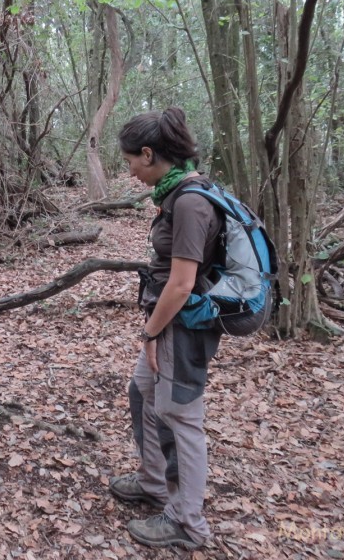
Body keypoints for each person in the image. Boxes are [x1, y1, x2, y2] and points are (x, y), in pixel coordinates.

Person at [108, 107, 223, 549]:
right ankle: (154, 481)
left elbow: (181, 284)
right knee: (143, 392)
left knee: (180, 418)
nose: (131, 171)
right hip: (167, 324)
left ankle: (186, 522)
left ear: (149, 154)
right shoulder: (176, 194)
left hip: (182, 326)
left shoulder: (191, 202)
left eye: (131, 162)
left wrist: (151, 333)